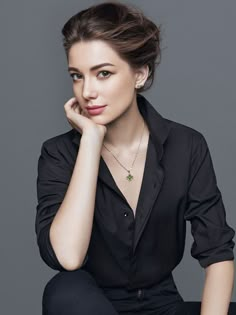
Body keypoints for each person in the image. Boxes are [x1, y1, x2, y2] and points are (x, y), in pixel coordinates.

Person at [35, 1, 236, 314]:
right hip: (89, 306)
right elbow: (68, 256)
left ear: (140, 74)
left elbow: (218, 253)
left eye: (103, 73)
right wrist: (90, 141)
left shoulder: (186, 146)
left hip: (164, 305)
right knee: (64, 290)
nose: (86, 91)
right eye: (77, 75)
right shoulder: (59, 153)